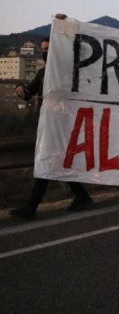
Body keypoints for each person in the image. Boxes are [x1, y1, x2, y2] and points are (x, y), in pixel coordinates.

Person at [10, 17, 94, 220]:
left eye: (49, 49)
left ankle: (31, 207)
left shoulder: (71, 71)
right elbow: (28, 93)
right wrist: (18, 88)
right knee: (55, 163)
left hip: (65, 126)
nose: (46, 53)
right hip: (47, 125)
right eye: (43, 50)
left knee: (48, 163)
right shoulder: (42, 73)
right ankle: (82, 196)